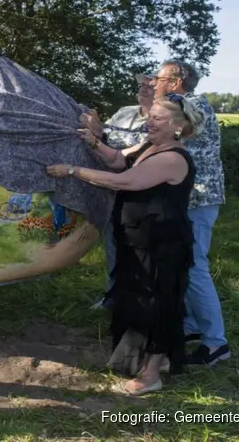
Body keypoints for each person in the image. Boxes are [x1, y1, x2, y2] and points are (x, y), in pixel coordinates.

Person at [47, 95, 204, 395]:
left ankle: (150, 376)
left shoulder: (173, 157)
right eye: (150, 116)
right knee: (137, 300)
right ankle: (162, 359)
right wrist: (93, 142)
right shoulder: (151, 146)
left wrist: (71, 170)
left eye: (157, 118)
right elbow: (118, 160)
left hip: (161, 244)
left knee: (156, 305)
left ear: (177, 126)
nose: (149, 122)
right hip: (138, 240)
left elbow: (124, 180)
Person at [150, 60, 229, 367]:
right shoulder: (186, 104)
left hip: (199, 198)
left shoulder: (188, 107)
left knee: (195, 266)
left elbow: (160, 142)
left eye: (159, 78)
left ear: (176, 82)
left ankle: (216, 344)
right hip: (189, 198)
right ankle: (192, 328)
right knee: (184, 263)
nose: (155, 82)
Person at [80, 72, 155, 307]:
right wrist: (97, 130)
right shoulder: (125, 112)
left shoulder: (162, 119)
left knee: (142, 248)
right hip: (115, 188)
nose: (143, 89)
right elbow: (105, 140)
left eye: (150, 85)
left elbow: (133, 149)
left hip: (145, 191)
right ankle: (113, 295)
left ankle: (144, 300)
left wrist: (100, 133)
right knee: (114, 243)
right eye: (141, 85)